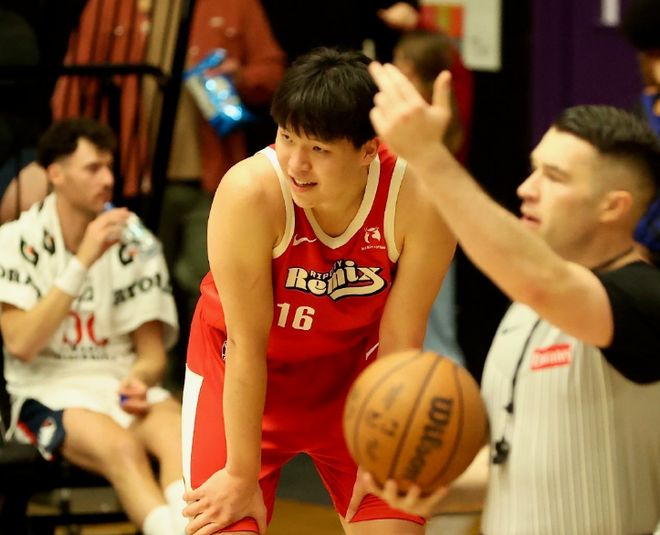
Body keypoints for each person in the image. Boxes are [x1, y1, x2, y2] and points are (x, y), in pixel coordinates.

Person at [363, 64, 660, 534]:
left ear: (613, 206)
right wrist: (433, 491)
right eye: (533, 169)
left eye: (554, 177)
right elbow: (513, 463)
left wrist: (429, 157)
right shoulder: (524, 312)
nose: (526, 189)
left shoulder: (645, 299)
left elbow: (542, 281)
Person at [180, 48, 456, 534]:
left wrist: (382, 444)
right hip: (241, 375)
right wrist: (240, 475)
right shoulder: (249, 192)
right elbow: (246, 343)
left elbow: (402, 336)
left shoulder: (421, 198)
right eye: (287, 137)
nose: (296, 163)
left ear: (369, 149)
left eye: (319, 149)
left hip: (353, 379)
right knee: (224, 522)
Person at [0, 118, 186, 535]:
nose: (108, 179)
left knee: (182, 436)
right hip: (45, 389)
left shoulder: (136, 242)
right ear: (55, 173)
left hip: (118, 384)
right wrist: (82, 260)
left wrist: (140, 378)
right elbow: (21, 344)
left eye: (109, 167)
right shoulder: (13, 241)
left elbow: (151, 354)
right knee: (122, 448)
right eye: (92, 168)